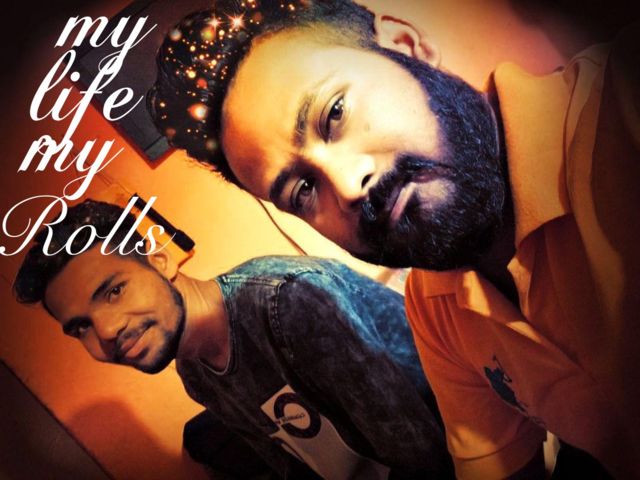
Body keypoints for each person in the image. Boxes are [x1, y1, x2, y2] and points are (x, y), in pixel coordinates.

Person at [148, 1, 640, 478]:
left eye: (334, 114)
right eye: (302, 190)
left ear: (406, 45)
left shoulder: (619, 107)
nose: (347, 186)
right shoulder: (434, 307)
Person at [13, 199, 454, 479]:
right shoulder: (195, 373)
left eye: (113, 291)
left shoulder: (287, 301)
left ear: (161, 261)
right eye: (81, 327)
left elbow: (421, 453)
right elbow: (296, 465)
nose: (106, 331)